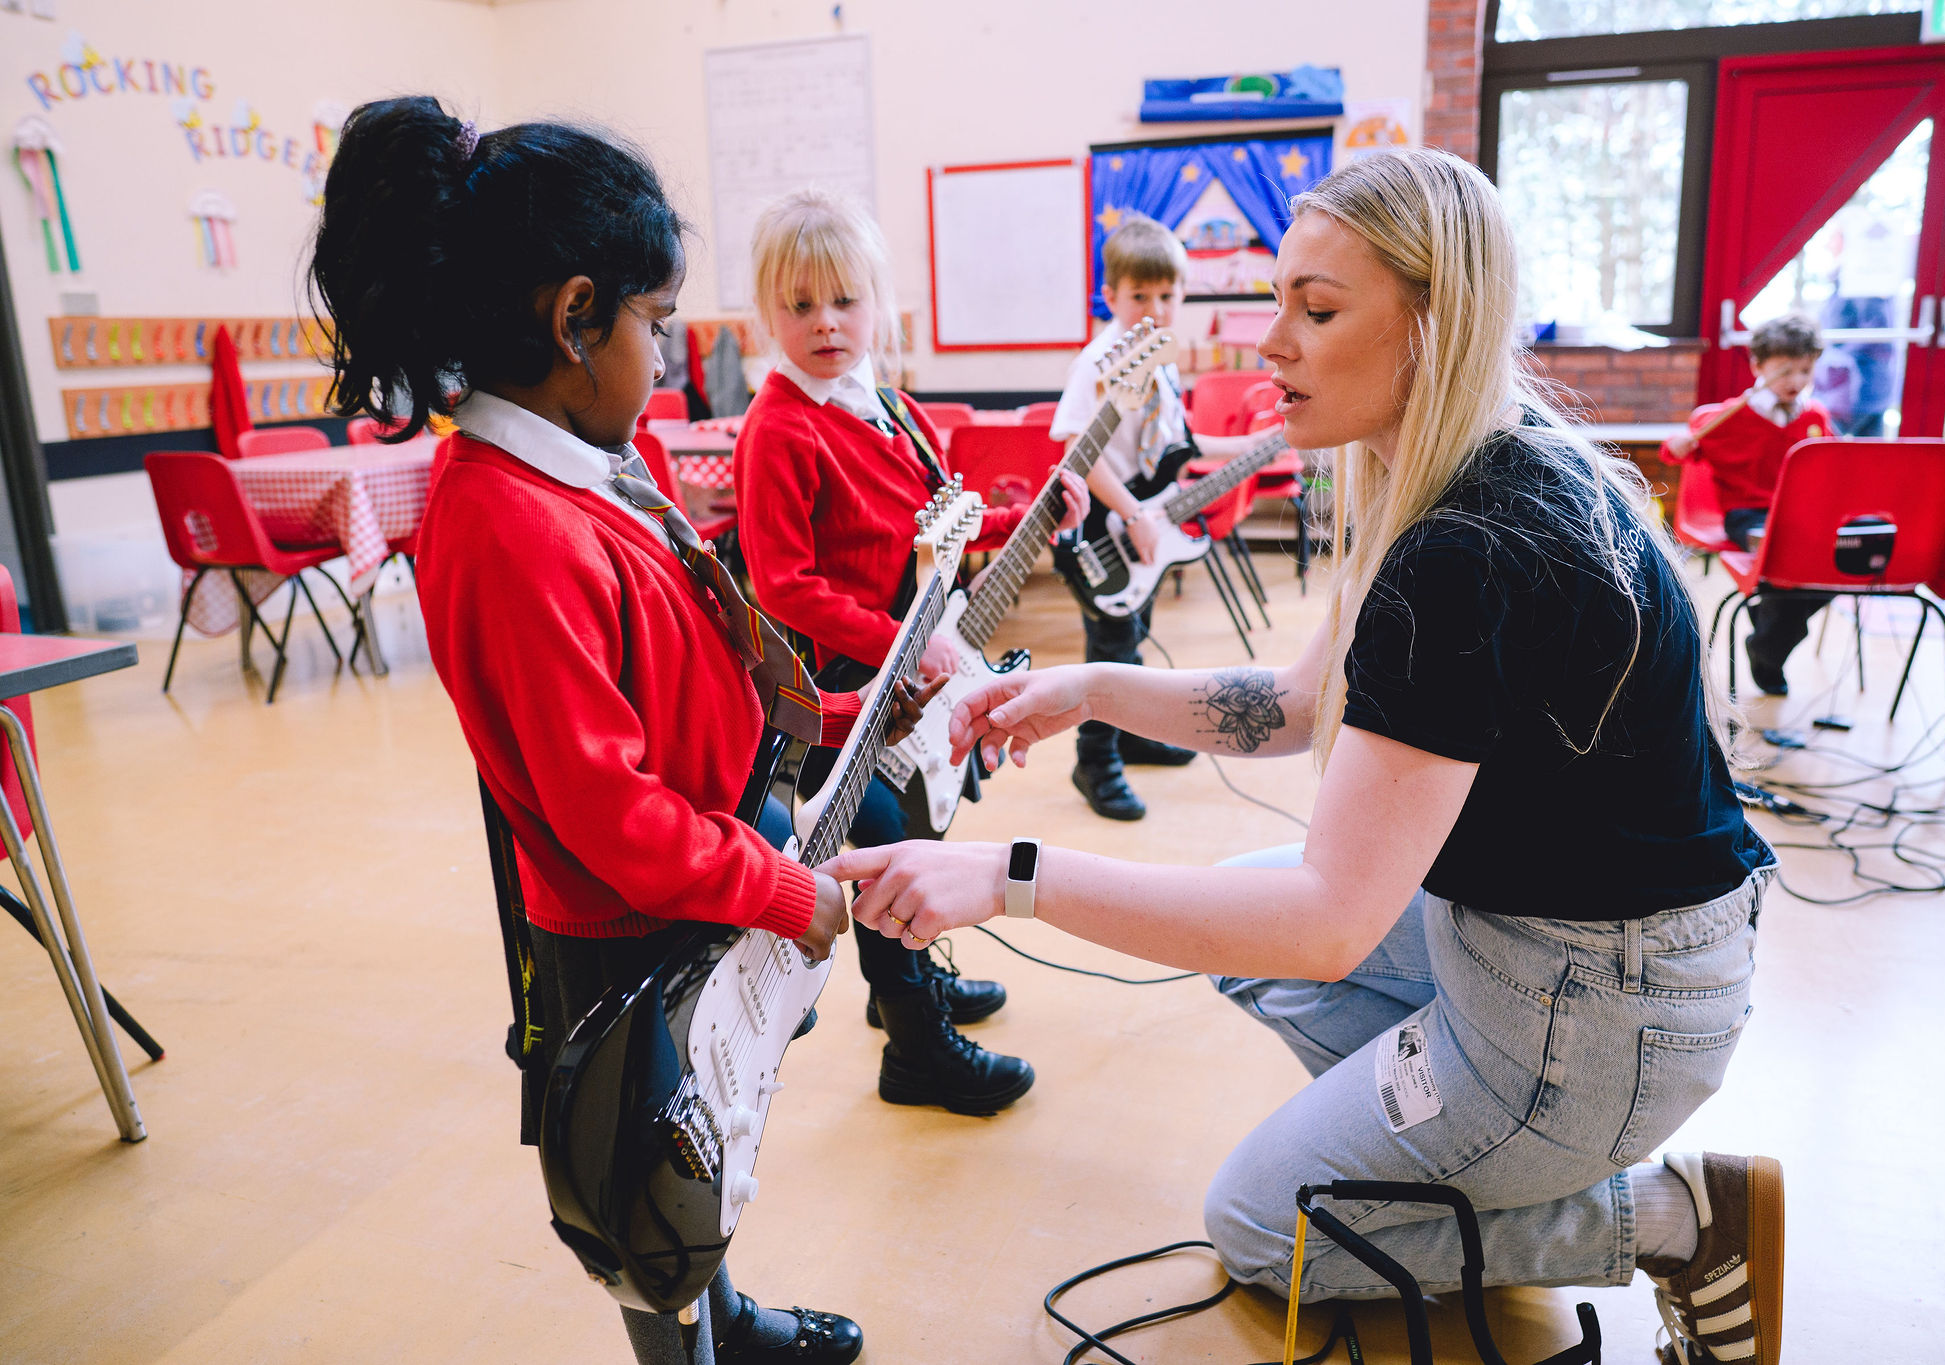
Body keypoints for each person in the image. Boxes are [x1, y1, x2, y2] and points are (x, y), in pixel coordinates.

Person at [823, 149, 1787, 1365]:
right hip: (1551, 945)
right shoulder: (1457, 460)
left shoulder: (1465, 554)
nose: (1268, 343)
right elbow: (1289, 702)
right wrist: (1087, 687)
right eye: (1277, 299)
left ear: (1430, 327)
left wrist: (1012, 878)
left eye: (1316, 311)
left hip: (1604, 1006)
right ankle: (1455, 1135)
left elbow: (1327, 923)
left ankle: (1670, 1217)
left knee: (1264, 1230)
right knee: (1243, 930)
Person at [309, 97, 911, 1365]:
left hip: (692, 888)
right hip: (622, 931)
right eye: (656, 324)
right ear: (575, 317)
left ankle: (726, 1318)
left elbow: (695, 665)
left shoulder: (583, 467)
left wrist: (846, 712)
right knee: (649, 1194)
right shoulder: (505, 524)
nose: (666, 358)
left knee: (709, 1142)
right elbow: (609, 813)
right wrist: (779, 888)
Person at [733, 188, 1087, 1117]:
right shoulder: (778, 428)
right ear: (766, 314)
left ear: (878, 304)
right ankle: (916, 1048)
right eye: (800, 305)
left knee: (918, 834)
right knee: (885, 850)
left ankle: (910, 981)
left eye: (844, 300)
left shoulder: (891, 407)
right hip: (837, 698)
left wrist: (1033, 513)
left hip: (903, 680)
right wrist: (905, 643)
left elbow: (944, 525)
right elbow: (784, 586)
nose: (825, 322)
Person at [1049, 214, 1261, 821]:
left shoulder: (1161, 361)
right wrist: (1134, 513)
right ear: (1110, 296)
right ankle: (1095, 762)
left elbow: (1179, 445)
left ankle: (1133, 736)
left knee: (1135, 636)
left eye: (1167, 295)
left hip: (1143, 521)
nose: (1156, 308)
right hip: (1103, 526)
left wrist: (1250, 446)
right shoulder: (1098, 362)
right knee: (1110, 649)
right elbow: (1078, 453)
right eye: (1140, 296)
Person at [1665, 313, 1835, 696]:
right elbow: (1673, 452)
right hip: (1749, 516)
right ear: (1758, 366)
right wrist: (1678, 446)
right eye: (1785, 370)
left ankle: (1767, 630)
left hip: (1800, 517)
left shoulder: (1815, 416)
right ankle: (1770, 652)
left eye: (1805, 371)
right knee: (1781, 554)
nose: (1796, 381)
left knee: (1843, 559)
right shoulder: (1728, 417)